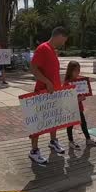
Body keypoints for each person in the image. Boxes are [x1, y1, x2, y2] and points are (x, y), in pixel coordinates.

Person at [28, 26, 69, 164]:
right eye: (63, 40)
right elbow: (33, 68)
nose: (63, 43)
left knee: (54, 119)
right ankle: (34, 151)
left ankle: (53, 141)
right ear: (58, 36)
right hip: (43, 92)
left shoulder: (53, 51)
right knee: (38, 122)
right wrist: (46, 82)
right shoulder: (43, 48)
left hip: (54, 93)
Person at [64, 61, 96, 149]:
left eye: (79, 70)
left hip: (79, 107)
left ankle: (88, 139)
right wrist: (77, 99)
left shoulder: (79, 82)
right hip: (70, 108)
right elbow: (66, 99)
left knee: (83, 123)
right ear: (70, 71)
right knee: (70, 125)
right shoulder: (67, 83)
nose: (78, 72)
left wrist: (83, 96)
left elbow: (81, 93)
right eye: (76, 70)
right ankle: (71, 141)